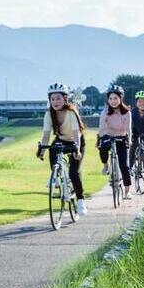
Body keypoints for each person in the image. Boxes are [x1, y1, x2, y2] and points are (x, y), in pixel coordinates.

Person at [36, 83, 88, 216]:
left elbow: (76, 133)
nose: (55, 102)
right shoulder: (49, 114)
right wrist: (42, 150)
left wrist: (77, 150)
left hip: (76, 140)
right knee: (52, 150)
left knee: (73, 172)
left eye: (58, 98)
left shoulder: (71, 112)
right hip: (61, 139)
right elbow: (46, 135)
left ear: (65, 99)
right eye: (52, 99)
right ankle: (56, 175)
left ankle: (81, 201)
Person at [97, 84, 132, 199]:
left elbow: (128, 129)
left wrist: (129, 139)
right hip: (108, 136)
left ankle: (127, 192)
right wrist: (101, 138)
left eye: (115, 98)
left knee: (124, 166)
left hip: (121, 138)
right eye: (110, 98)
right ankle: (106, 165)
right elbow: (102, 127)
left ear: (121, 98)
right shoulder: (105, 112)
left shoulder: (126, 112)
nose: (113, 101)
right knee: (102, 149)